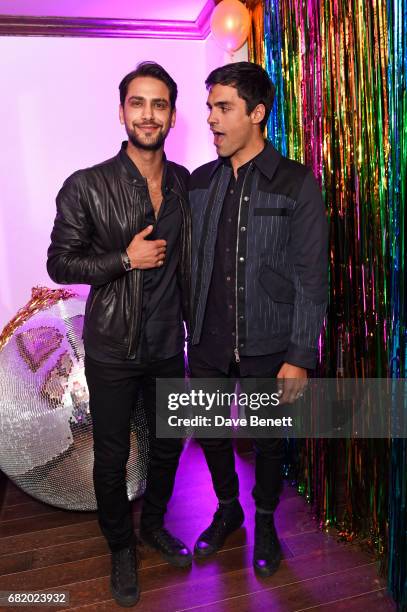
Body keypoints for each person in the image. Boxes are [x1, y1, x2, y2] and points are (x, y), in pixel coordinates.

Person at [47, 61, 192, 608]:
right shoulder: (86, 186)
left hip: (166, 345)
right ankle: (120, 547)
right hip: (111, 347)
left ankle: (153, 525)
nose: (148, 114)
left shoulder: (183, 184)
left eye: (159, 104)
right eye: (138, 102)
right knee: (110, 458)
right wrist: (125, 260)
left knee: (169, 443)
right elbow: (61, 263)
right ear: (122, 110)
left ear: (172, 115)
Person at [188, 61, 328, 577]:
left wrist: (299, 357)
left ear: (257, 113)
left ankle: (265, 519)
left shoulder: (295, 183)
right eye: (210, 108)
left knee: (268, 439)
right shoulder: (201, 182)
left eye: (223, 108)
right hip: (206, 338)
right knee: (207, 429)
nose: (211, 119)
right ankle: (228, 510)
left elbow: (312, 276)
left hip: (269, 343)